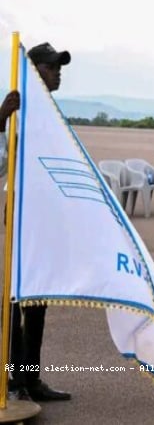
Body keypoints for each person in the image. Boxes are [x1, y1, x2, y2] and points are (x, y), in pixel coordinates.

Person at [3, 42, 72, 401]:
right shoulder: (15, 107)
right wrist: (0, 119)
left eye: (58, 67)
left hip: (45, 220)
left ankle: (31, 379)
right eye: (51, 67)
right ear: (34, 72)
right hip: (22, 221)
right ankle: (12, 381)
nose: (57, 72)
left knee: (38, 303)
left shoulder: (51, 113)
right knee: (15, 303)